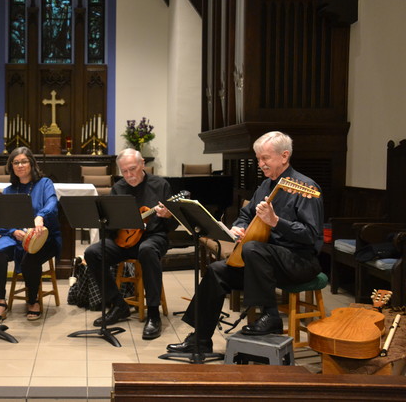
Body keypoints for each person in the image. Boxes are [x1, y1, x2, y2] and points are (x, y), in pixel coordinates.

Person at [166, 131, 324, 355]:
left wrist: (277, 222)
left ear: (284, 156)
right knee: (216, 270)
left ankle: (270, 316)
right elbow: (245, 214)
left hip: (299, 262)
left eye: (265, 158)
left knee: (252, 248)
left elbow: (311, 236)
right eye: (258, 159)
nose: (260, 164)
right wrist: (238, 226)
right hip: (264, 263)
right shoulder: (266, 186)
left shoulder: (306, 188)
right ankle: (199, 340)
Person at [83, 148, 178, 340]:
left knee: (147, 250)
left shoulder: (160, 185)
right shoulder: (118, 188)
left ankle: (153, 314)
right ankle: (119, 305)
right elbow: (109, 227)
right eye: (124, 171)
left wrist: (168, 215)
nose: (129, 175)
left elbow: (172, 225)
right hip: (124, 239)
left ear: (142, 164)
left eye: (132, 169)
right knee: (93, 252)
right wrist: (107, 222)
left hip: (154, 237)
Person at [0, 147, 61, 323]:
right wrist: (14, 231)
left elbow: (52, 202)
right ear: (11, 167)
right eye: (16, 162)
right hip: (14, 235)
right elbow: (2, 221)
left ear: (31, 163)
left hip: (43, 236)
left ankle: (33, 299)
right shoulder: (8, 191)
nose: (20, 165)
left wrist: (40, 216)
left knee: (31, 257)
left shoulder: (44, 183)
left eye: (23, 161)